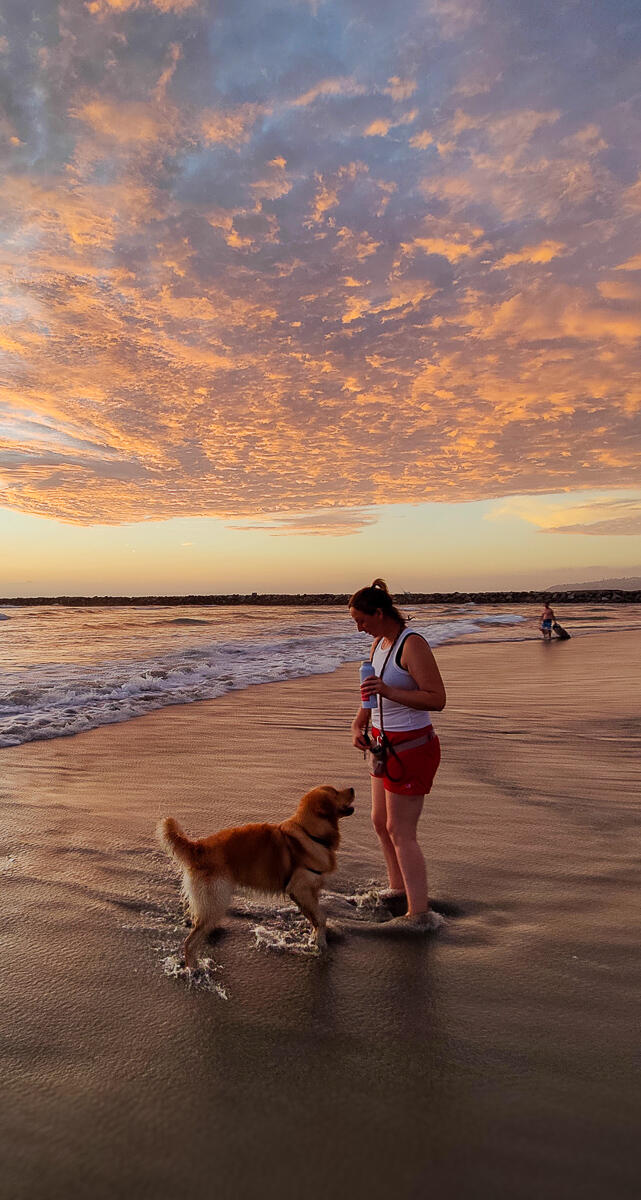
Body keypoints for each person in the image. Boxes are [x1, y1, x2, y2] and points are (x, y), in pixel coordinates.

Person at [349, 579, 446, 931]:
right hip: (382, 744)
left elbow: (436, 698)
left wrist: (388, 689)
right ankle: (397, 889)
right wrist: (359, 724)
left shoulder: (412, 644)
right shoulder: (378, 643)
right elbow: (371, 698)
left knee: (400, 829)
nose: (358, 627)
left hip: (413, 747)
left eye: (361, 620)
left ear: (380, 613)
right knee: (379, 822)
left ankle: (419, 914)